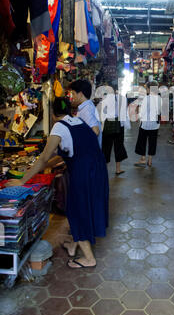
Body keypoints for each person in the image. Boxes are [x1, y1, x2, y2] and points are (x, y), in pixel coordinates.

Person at [6, 97, 109, 269]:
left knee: (77, 211)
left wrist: (23, 180)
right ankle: (73, 244)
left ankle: (89, 259)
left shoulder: (59, 127)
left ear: (53, 114)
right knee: (85, 208)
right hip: (98, 170)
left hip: (83, 174)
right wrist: (47, 165)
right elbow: (64, 154)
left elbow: (44, 157)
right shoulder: (78, 121)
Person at [101, 86, 129, 175]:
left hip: (108, 125)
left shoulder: (105, 100)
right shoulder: (122, 99)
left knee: (106, 147)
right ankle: (118, 169)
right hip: (119, 125)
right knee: (119, 146)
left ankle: (104, 170)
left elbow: (103, 114)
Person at [69, 79, 102, 148]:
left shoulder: (87, 109)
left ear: (80, 94)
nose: (72, 97)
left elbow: (96, 131)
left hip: (90, 154)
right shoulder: (85, 107)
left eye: (73, 94)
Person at [135, 80, 161, 168]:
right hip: (155, 124)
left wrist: (138, 117)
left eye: (147, 89)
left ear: (150, 89)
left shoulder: (146, 98)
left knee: (142, 141)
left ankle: (143, 159)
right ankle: (150, 161)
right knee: (152, 142)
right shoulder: (159, 98)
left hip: (145, 123)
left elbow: (142, 111)